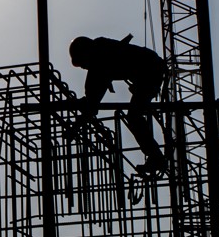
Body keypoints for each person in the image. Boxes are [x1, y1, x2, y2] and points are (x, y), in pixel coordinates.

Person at [69, 35, 169, 175]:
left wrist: (76, 126)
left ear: (86, 54)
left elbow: (92, 101)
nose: (84, 68)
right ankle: (156, 157)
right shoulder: (100, 51)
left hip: (151, 70)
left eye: (83, 63)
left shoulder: (100, 60)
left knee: (134, 116)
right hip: (150, 69)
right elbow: (92, 98)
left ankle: (156, 158)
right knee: (135, 115)